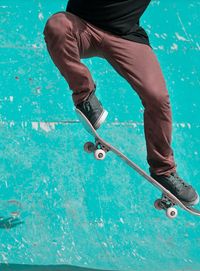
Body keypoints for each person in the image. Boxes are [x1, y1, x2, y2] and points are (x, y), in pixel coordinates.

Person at [43, 0, 199, 206]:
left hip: (126, 36)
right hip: (82, 27)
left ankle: (164, 171)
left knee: (158, 98)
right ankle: (85, 96)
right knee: (56, 26)